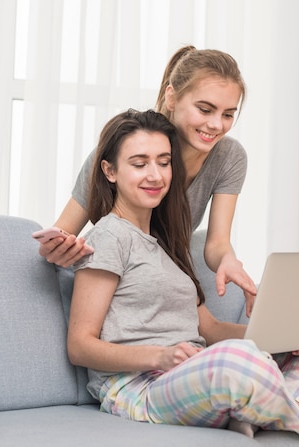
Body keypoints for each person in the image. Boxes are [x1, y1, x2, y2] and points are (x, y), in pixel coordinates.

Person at [66, 108, 299, 440]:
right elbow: (80, 345)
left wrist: (288, 338)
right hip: (138, 385)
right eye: (140, 163)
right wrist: (160, 355)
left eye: (164, 162)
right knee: (236, 361)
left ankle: (253, 407)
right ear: (110, 171)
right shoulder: (108, 237)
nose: (156, 175)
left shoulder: (169, 242)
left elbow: (211, 329)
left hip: (198, 370)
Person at [39, 45, 258, 315]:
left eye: (228, 115)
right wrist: (57, 251)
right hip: (110, 289)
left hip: (161, 287)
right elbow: (63, 231)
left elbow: (217, 243)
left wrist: (228, 260)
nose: (216, 125)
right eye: (205, 109)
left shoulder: (228, 156)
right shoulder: (120, 150)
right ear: (172, 97)